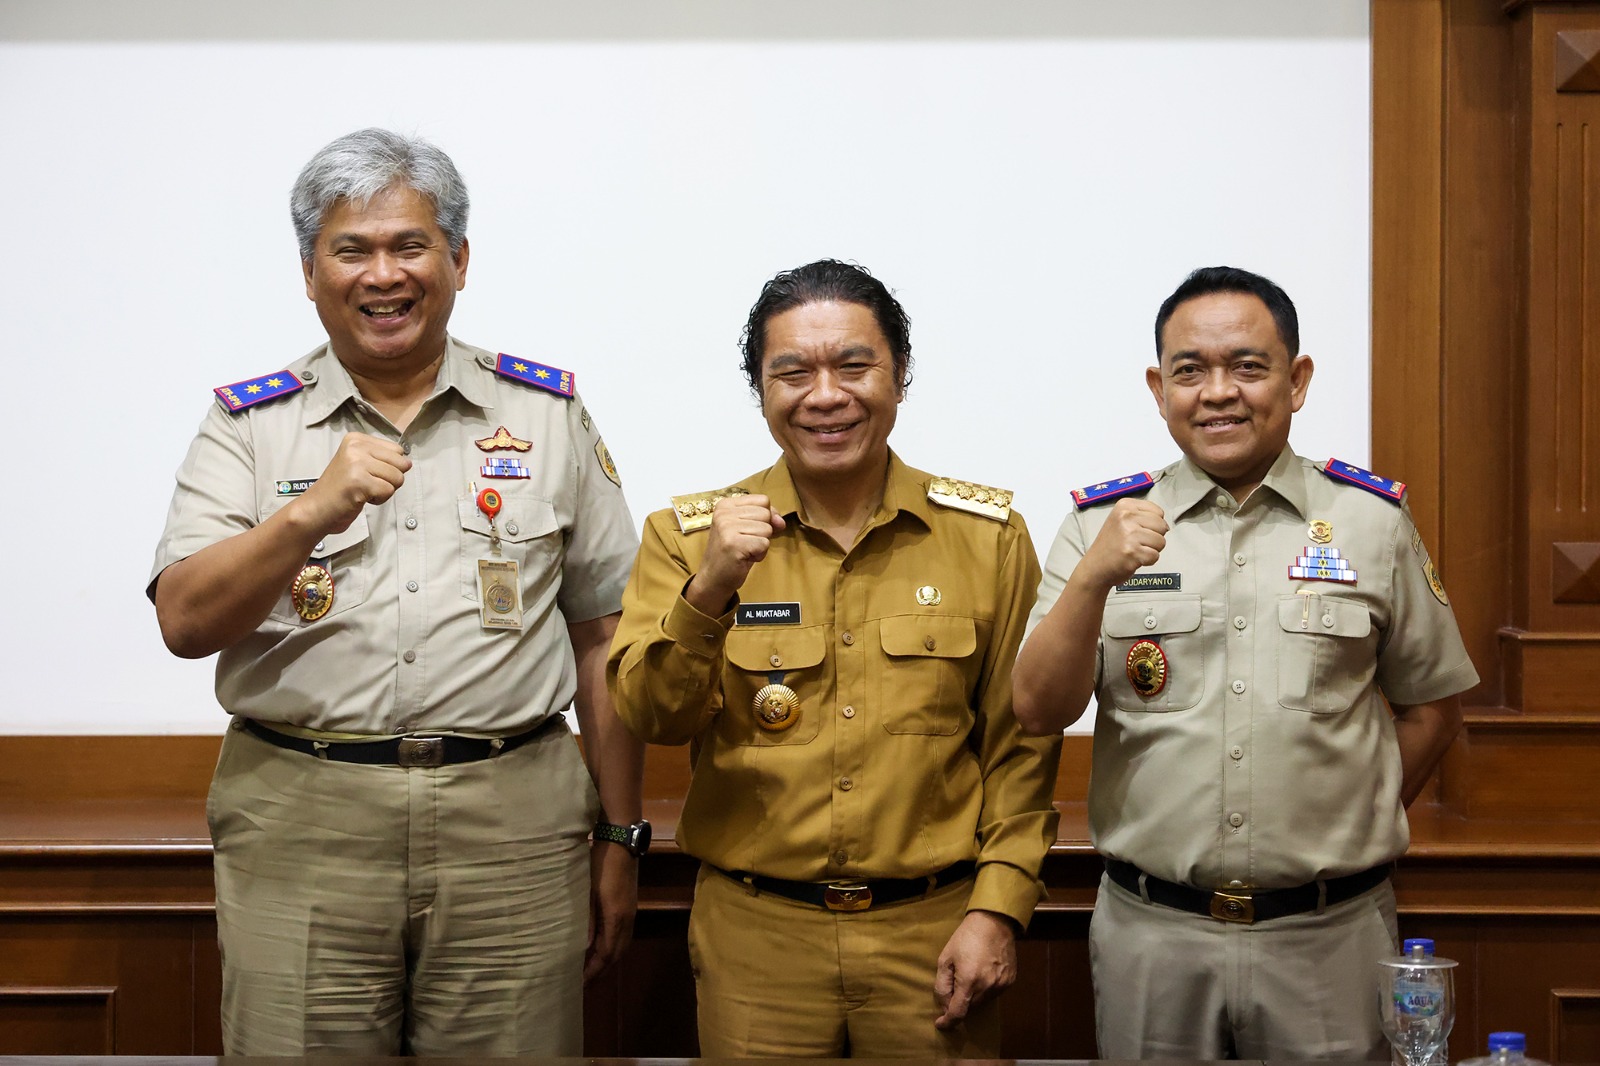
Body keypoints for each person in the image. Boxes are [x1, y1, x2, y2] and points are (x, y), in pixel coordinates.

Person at [148, 128, 646, 1056]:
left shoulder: (546, 413)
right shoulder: (247, 426)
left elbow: (603, 636)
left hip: (515, 823)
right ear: (309, 271)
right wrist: (307, 517)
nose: (384, 274)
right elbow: (184, 619)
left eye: (409, 245)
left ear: (458, 259)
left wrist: (619, 834)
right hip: (304, 818)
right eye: (353, 250)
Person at [1013, 265, 1479, 1060]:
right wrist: (1095, 576)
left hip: (1328, 939)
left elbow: (1432, 708)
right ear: (1160, 389)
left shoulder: (1368, 523)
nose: (1218, 391)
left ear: (1295, 381)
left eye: (1248, 367)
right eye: (1190, 371)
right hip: (1153, 938)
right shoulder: (1101, 525)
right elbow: (1037, 708)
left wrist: (1345, 814)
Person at [607, 259, 1061, 1058]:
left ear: (900, 374)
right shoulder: (685, 538)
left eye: (854, 365)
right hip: (757, 935)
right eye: (792, 372)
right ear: (760, 389)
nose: (826, 395)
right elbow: (653, 715)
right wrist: (711, 586)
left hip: (935, 929)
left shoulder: (986, 539)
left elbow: (1018, 745)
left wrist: (997, 908)